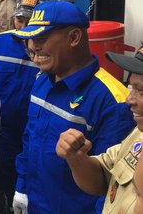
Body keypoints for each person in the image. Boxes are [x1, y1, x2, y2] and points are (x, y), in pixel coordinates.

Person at [12, 0, 135, 214]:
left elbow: (111, 180)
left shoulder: (113, 100)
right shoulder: (42, 79)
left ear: (74, 37)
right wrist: (21, 187)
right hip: (36, 203)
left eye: (41, 38)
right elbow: (29, 139)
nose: (33, 46)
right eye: (31, 39)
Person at [56, 46, 143, 213]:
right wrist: (76, 158)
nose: (129, 100)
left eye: (141, 91)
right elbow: (103, 176)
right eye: (132, 88)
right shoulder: (138, 134)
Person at [0, 0, 49, 211]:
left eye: (29, 21)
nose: (23, 27)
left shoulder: (50, 49)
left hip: (37, 132)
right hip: (3, 133)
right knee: (1, 184)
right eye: (19, 20)